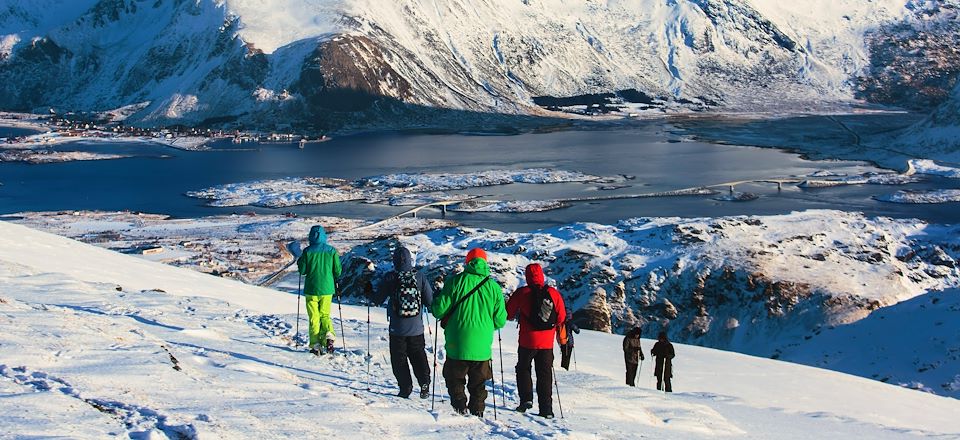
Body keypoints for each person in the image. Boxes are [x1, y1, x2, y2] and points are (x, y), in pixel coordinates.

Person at [432, 248, 506, 417]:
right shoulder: (493, 287)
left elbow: (438, 310)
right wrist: (486, 327)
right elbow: (501, 320)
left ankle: (459, 406)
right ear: (485, 263)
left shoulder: (455, 282)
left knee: (454, 377)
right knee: (478, 382)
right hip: (481, 346)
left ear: (467, 262)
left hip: (457, 342)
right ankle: (477, 409)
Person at [369, 246, 434, 399]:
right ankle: (424, 382)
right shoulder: (419, 277)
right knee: (418, 354)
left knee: (399, 359)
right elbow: (430, 301)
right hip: (416, 328)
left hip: (397, 328)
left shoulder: (390, 277)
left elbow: (378, 299)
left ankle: (405, 387)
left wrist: (368, 292)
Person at [506, 263, 566, 419]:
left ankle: (526, 399)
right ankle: (546, 409)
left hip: (527, 340)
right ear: (542, 275)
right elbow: (561, 317)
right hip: (546, 343)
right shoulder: (553, 293)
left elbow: (509, 314)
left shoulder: (522, 293)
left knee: (523, 368)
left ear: (527, 276)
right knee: (544, 374)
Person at [297, 225, 342, 355]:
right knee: (325, 314)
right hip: (327, 289)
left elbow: (303, 270)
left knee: (314, 317)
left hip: (311, 289)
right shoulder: (332, 251)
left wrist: (300, 261)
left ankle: (315, 344)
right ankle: (328, 335)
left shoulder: (307, 251)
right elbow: (338, 271)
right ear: (324, 236)